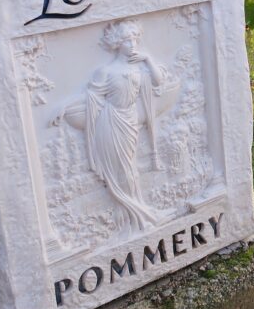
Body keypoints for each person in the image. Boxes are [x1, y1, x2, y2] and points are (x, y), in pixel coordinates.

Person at [52, 18, 174, 232]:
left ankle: (137, 214)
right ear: (117, 43)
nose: (133, 45)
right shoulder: (105, 72)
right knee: (124, 168)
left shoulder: (138, 67)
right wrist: (64, 107)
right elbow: (89, 97)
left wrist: (147, 59)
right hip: (111, 122)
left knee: (130, 167)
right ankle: (139, 216)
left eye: (135, 39)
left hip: (129, 119)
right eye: (128, 41)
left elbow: (158, 81)